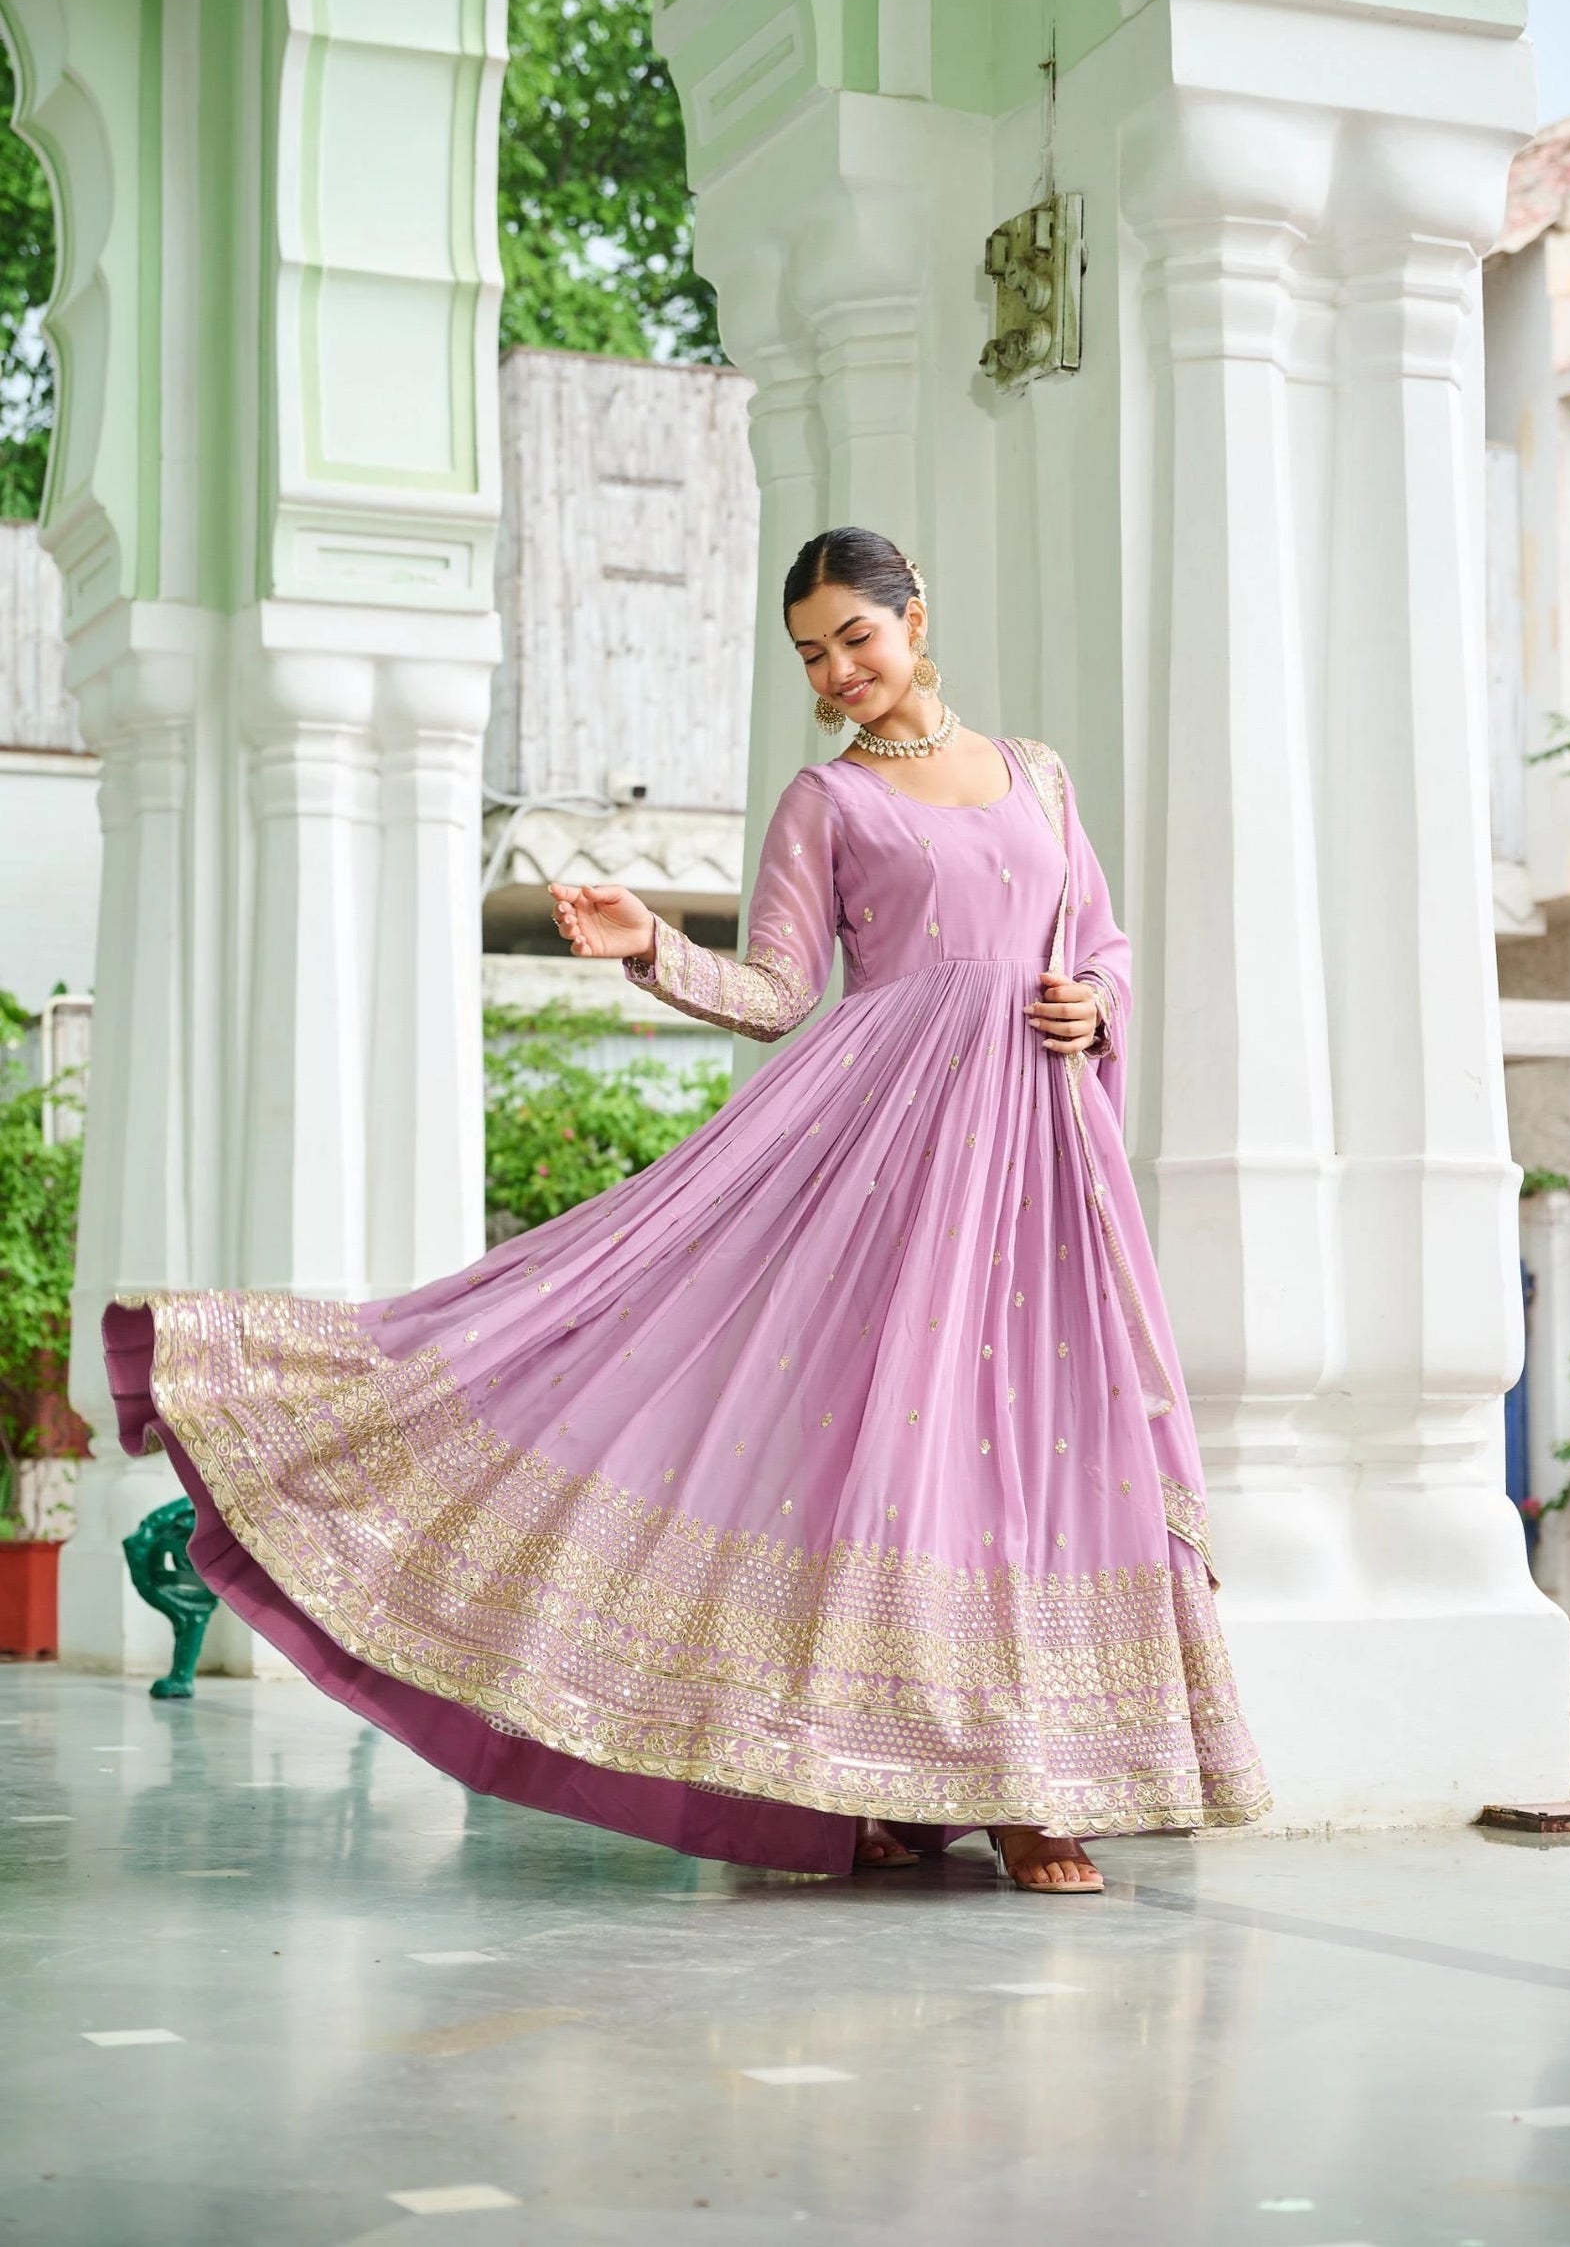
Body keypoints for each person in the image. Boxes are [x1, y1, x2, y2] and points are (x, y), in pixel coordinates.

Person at [103, 525, 1269, 1895]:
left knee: (1038, 1435)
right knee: (908, 1447)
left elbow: (1100, 943)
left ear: (914, 616)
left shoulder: (1040, 777)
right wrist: (650, 943)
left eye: (855, 637)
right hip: (890, 1154)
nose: (837, 672)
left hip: (1036, 1154)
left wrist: (1095, 1003)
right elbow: (779, 991)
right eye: (812, 655)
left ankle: (1024, 1783)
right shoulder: (826, 803)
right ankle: (926, 1781)